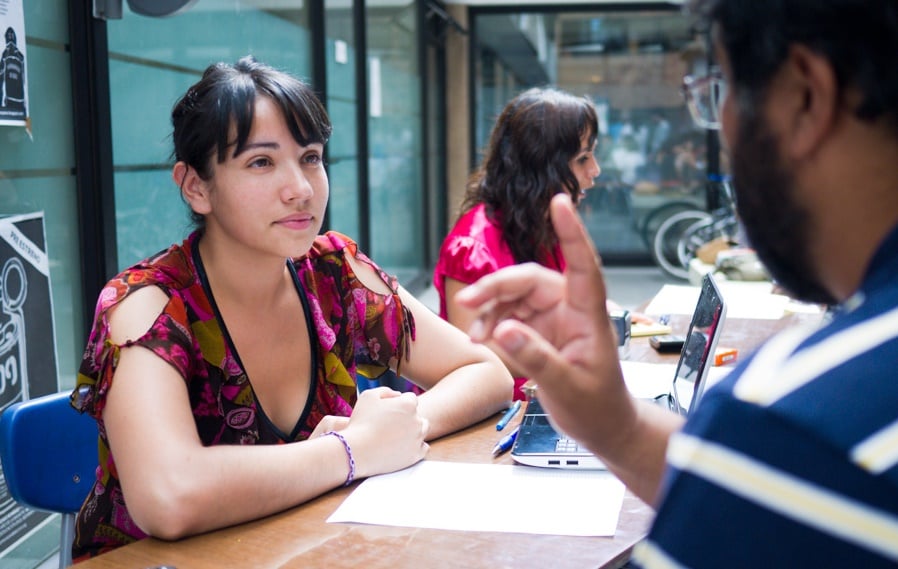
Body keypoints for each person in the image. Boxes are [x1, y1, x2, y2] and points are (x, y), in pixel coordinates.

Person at [455, 0, 898, 566]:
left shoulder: (790, 428)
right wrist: (614, 424)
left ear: (805, 96)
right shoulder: (486, 235)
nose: (727, 135)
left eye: (723, 91)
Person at [69, 56, 513, 560]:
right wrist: (351, 453)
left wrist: (393, 432)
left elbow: (486, 372)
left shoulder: (335, 271)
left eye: (310, 157)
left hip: (307, 549)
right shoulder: (147, 305)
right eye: (261, 162)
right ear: (196, 186)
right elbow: (169, 497)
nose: (301, 190)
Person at [433, 87, 639, 400]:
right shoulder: (471, 245)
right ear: (540, 165)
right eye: (583, 158)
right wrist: (573, 347)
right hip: (500, 417)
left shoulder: (543, 222)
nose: (595, 171)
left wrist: (604, 311)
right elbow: (471, 360)